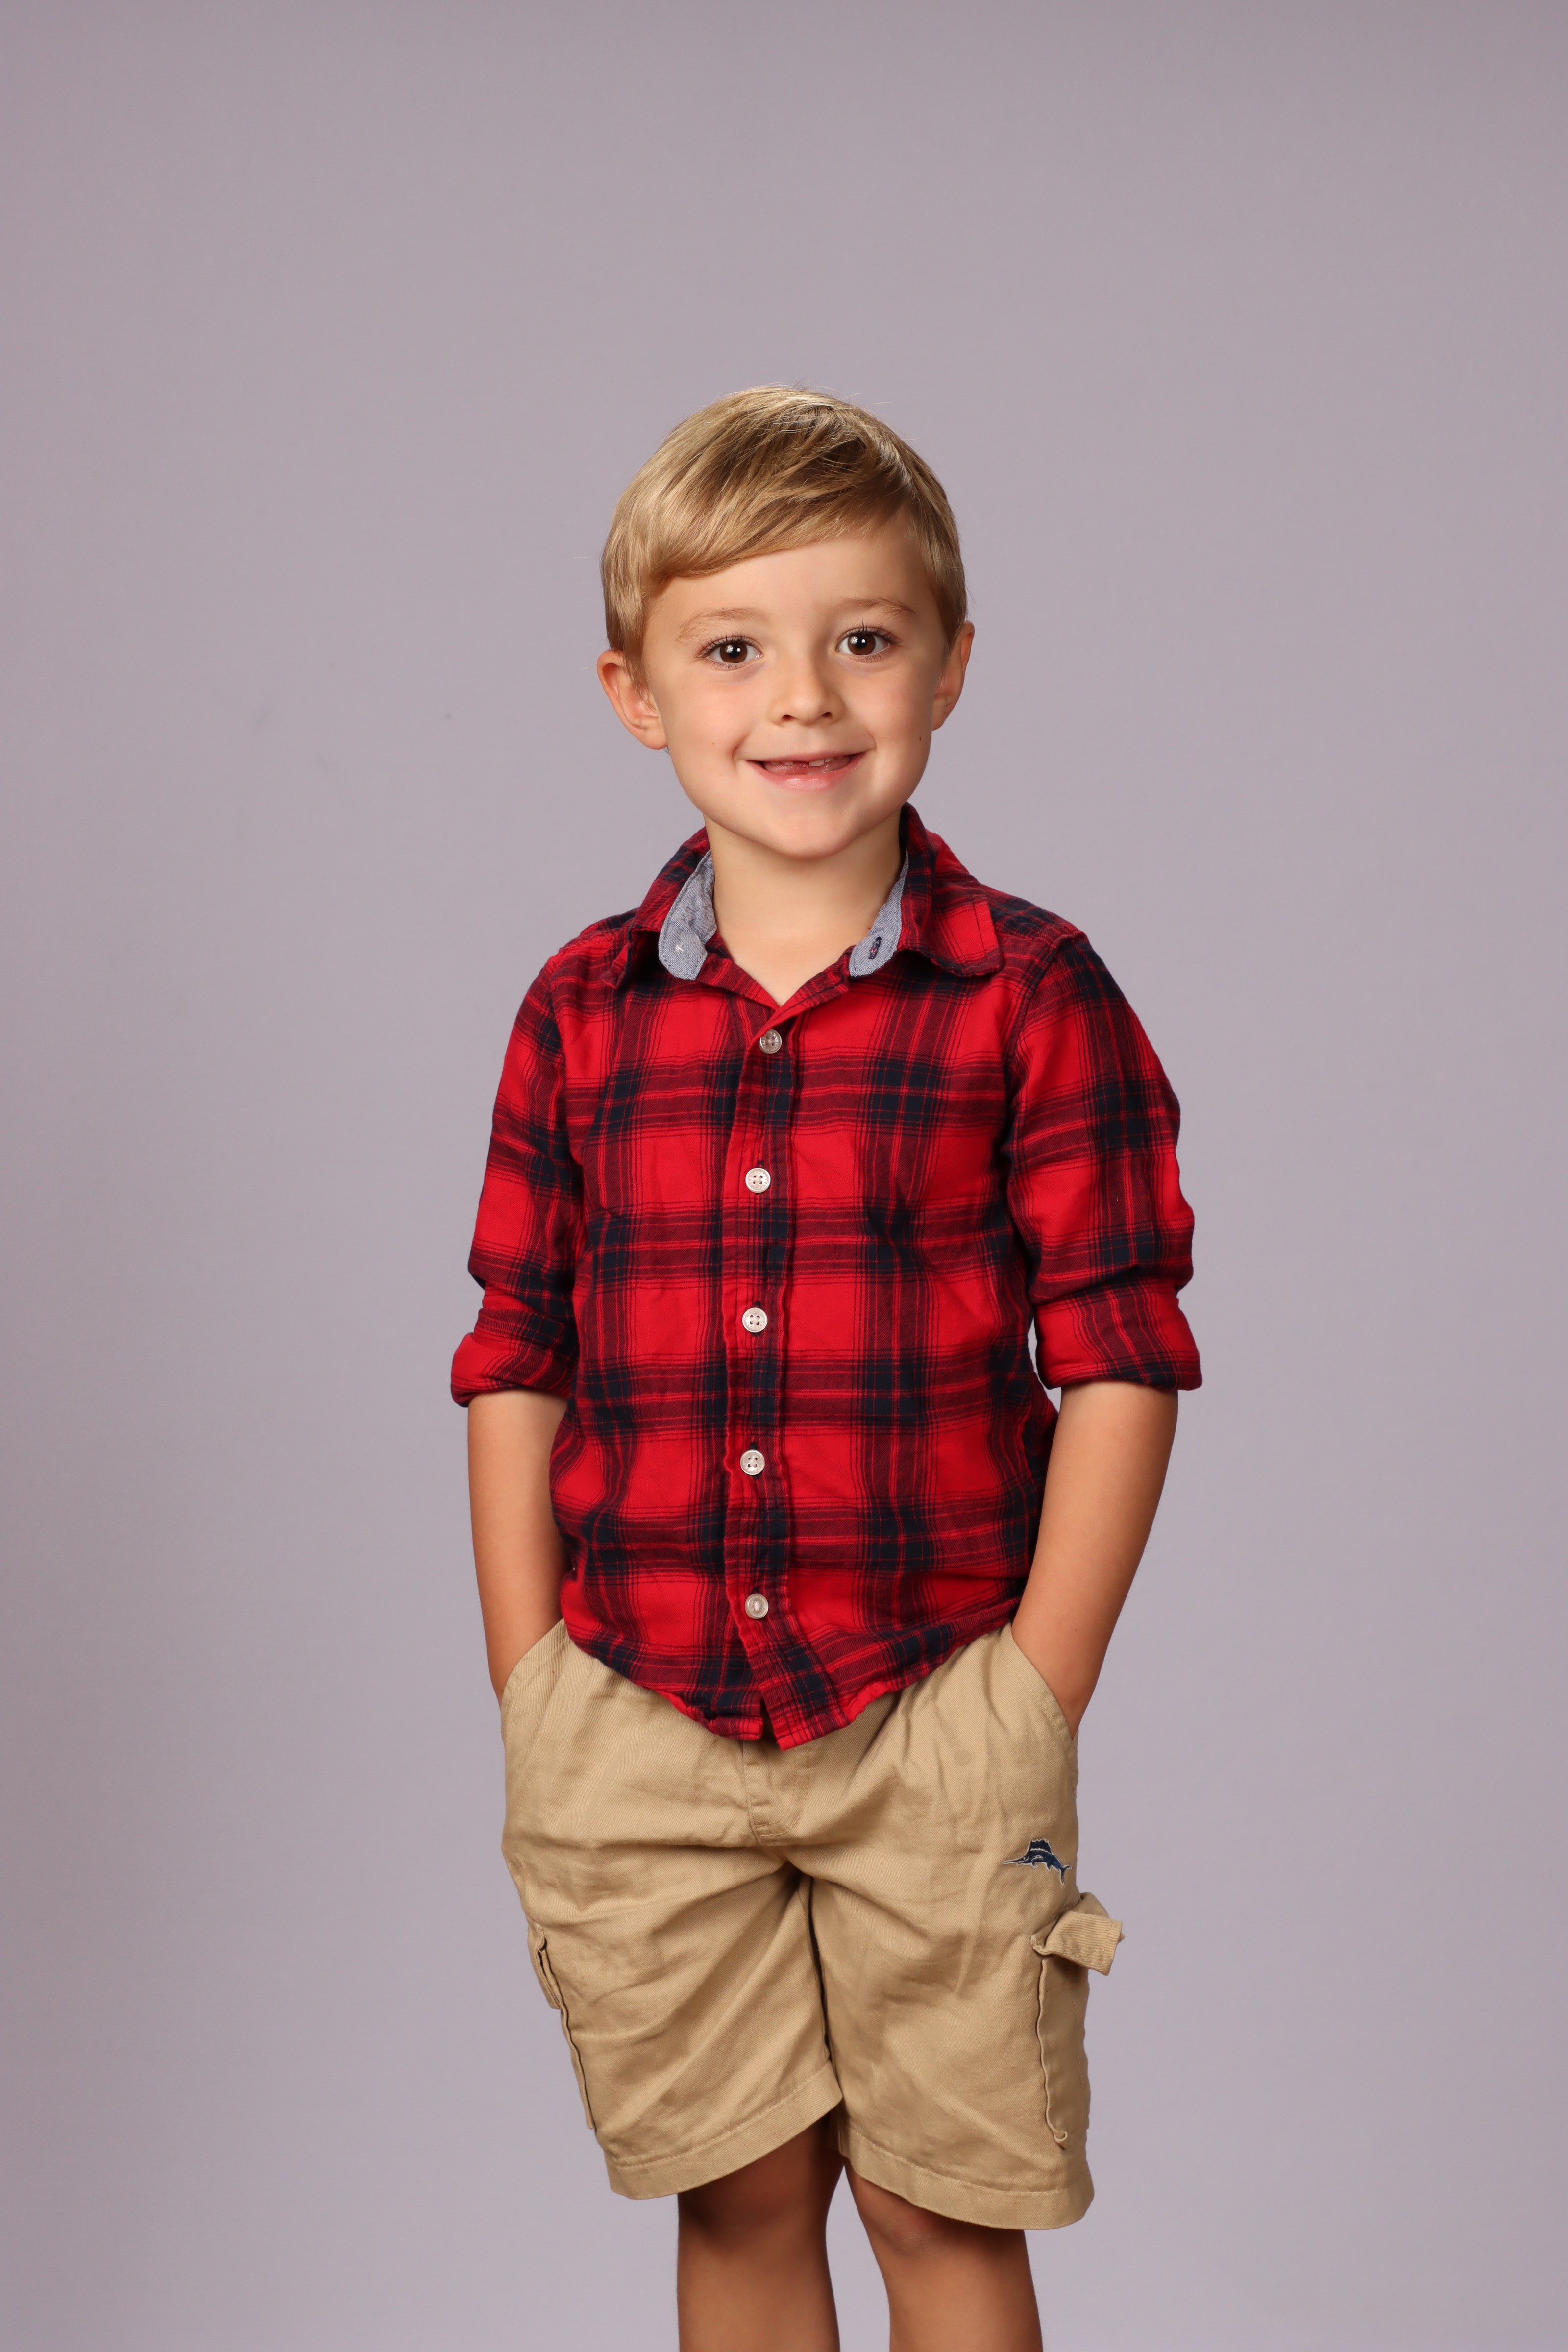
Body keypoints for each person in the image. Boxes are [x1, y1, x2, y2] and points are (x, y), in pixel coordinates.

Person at [452, 386, 1200, 2352]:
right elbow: (517, 1351)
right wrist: (533, 1684)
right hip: (640, 1708)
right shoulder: (578, 1013)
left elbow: (1120, 1350)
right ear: (634, 694)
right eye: (731, 649)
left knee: (939, 2209)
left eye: (861, 637)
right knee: (742, 2191)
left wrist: (1033, 1693)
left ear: (947, 666)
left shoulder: (1033, 995)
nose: (801, 697)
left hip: (934, 1699)